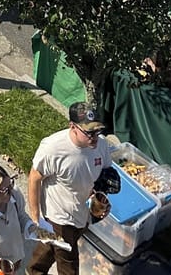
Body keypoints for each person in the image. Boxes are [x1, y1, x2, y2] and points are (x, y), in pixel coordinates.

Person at [27, 102, 110, 275]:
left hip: (82, 214)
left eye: (98, 131)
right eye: (89, 132)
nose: (95, 137)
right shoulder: (53, 148)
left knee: (49, 248)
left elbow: (103, 175)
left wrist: (100, 198)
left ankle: (33, 271)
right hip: (59, 217)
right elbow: (34, 177)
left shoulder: (101, 145)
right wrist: (36, 217)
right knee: (69, 263)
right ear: (72, 126)